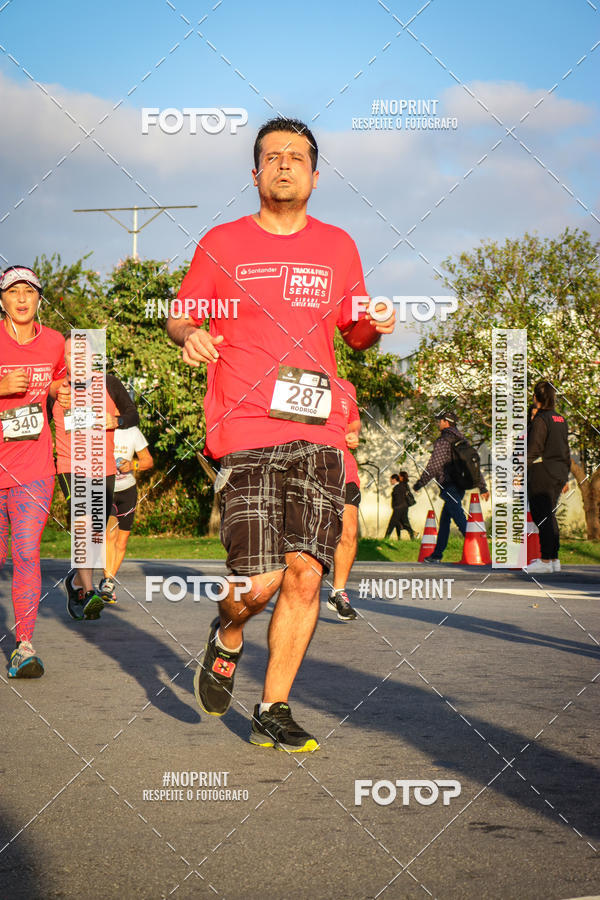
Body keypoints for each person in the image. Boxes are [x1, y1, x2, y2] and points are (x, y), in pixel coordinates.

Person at [167, 117, 395, 752]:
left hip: (319, 429)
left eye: (297, 157)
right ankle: (228, 632)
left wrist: (376, 323)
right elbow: (181, 312)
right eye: (272, 157)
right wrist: (191, 335)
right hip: (244, 425)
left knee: (304, 573)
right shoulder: (220, 242)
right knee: (259, 578)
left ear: (316, 176)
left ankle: (274, 706)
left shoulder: (339, 247)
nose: (285, 165)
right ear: (255, 173)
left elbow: (355, 332)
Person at [0, 265, 66, 677]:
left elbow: (60, 381)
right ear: (1, 299)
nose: (22, 299)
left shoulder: (55, 342)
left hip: (35, 468)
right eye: (13, 291)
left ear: (39, 298)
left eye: (30, 291)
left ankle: (24, 645)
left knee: (26, 553)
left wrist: (65, 392)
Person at [50, 335, 139, 619]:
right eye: (70, 354)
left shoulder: (109, 384)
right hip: (69, 465)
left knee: (96, 532)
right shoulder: (56, 389)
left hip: (104, 468)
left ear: (92, 357)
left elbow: (132, 414)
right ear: (64, 359)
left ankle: (76, 583)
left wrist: (117, 421)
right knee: (83, 522)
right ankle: (88, 591)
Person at [413, 411, 489, 562]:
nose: (438, 423)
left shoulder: (443, 441)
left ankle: (476, 544)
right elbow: (473, 465)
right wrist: (482, 487)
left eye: (439, 421)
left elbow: (434, 465)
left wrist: (420, 483)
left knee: (458, 516)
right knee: (446, 519)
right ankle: (437, 555)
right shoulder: (462, 440)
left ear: (446, 422)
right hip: (460, 485)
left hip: (449, 485)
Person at [100, 425, 154, 603]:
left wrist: (132, 464)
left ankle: (109, 581)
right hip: (105, 489)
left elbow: (148, 461)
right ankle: (107, 583)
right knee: (110, 533)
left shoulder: (132, 432)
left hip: (127, 491)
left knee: (121, 543)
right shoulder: (99, 428)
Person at [525, 380, 570, 574]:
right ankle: (553, 559)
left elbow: (533, 448)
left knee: (541, 516)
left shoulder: (541, 420)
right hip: (560, 472)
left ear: (536, 398)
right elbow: (565, 449)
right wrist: (565, 476)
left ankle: (544, 560)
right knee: (550, 516)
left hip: (543, 472)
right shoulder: (561, 419)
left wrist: (521, 471)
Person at [327, 378, 361, 622]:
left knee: (348, 533)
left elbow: (354, 420)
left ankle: (338, 592)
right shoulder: (295, 376)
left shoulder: (346, 387)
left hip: (344, 469)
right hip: (309, 467)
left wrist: (353, 433)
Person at [384, 472, 414, 540]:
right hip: (403, 507)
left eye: (391, 480)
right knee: (403, 523)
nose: (390, 481)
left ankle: (386, 538)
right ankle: (408, 537)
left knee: (392, 523)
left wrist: (395, 507)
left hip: (399, 508)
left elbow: (397, 499)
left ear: (394, 479)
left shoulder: (398, 487)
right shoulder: (404, 485)